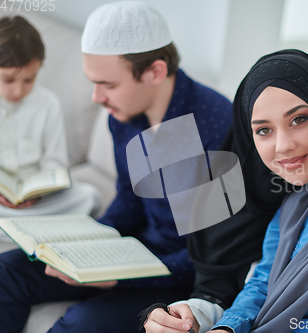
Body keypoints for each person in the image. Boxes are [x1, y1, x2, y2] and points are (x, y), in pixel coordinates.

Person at [142, 52, 308, 333]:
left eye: (299, 119)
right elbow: (232, 286)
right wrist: (194, 316)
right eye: (263, 130)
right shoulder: (282, 199)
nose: (283, 145)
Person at [0, 2, 232, 333]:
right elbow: (128, 199)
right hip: (132, 250)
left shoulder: (214, 126)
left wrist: (118, 276)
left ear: (155, 72)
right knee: (6, 272)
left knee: (81, 324)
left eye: (107, 85)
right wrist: (86, 246)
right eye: (93, 83)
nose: (96, 97)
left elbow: (212, 261)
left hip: (179, 275)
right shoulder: (124, 117)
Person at [0, 16, 101, 223]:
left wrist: (39, 193)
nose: (18, 90)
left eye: (29, 79)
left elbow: (55, 163)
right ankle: (24, 227)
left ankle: (15, 226)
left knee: (89, 197)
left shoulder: (48, 104)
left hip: (34, 195)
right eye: (8, 80)